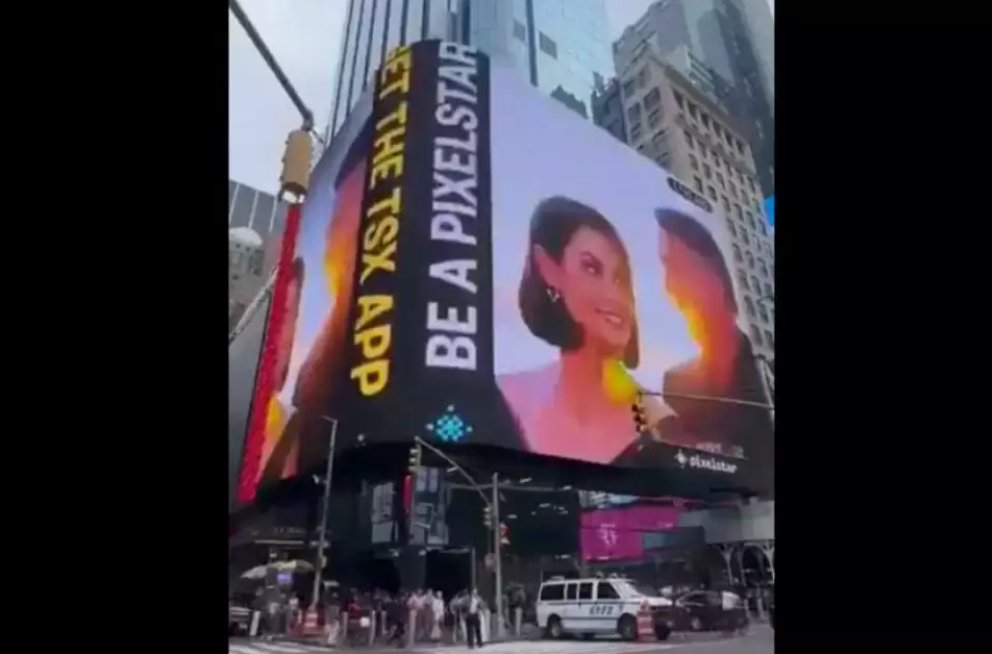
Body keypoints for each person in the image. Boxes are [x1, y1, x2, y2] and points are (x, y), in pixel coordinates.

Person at [498, 196, 668, 464]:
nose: (614, 295)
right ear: (549, 269)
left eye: (619, 278)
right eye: (591, 268)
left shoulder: (655, 421)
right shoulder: (508, 396)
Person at [617, 208, 773, 465]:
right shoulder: (675, 382)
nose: (669, 285)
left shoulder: (763, 371)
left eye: (677, 266)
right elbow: (683, 463)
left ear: (714, 272)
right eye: (665, 268)